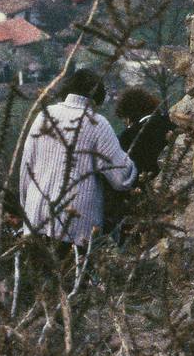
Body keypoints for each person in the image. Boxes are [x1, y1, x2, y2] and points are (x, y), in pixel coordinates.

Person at [18, 68, 137, 248]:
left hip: (35, 220)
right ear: (98, 95)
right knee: (71, 275)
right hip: (74, 227)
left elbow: (26, 171)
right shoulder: (97, 123)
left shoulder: (44, 114)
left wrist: (27, 209)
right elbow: (121, 178)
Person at [105, 86, 175, 240]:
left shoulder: (128, 137)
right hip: (171, 196)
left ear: (128, 115)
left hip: (138, 202)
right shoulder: (169, 125)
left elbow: (121, 175)